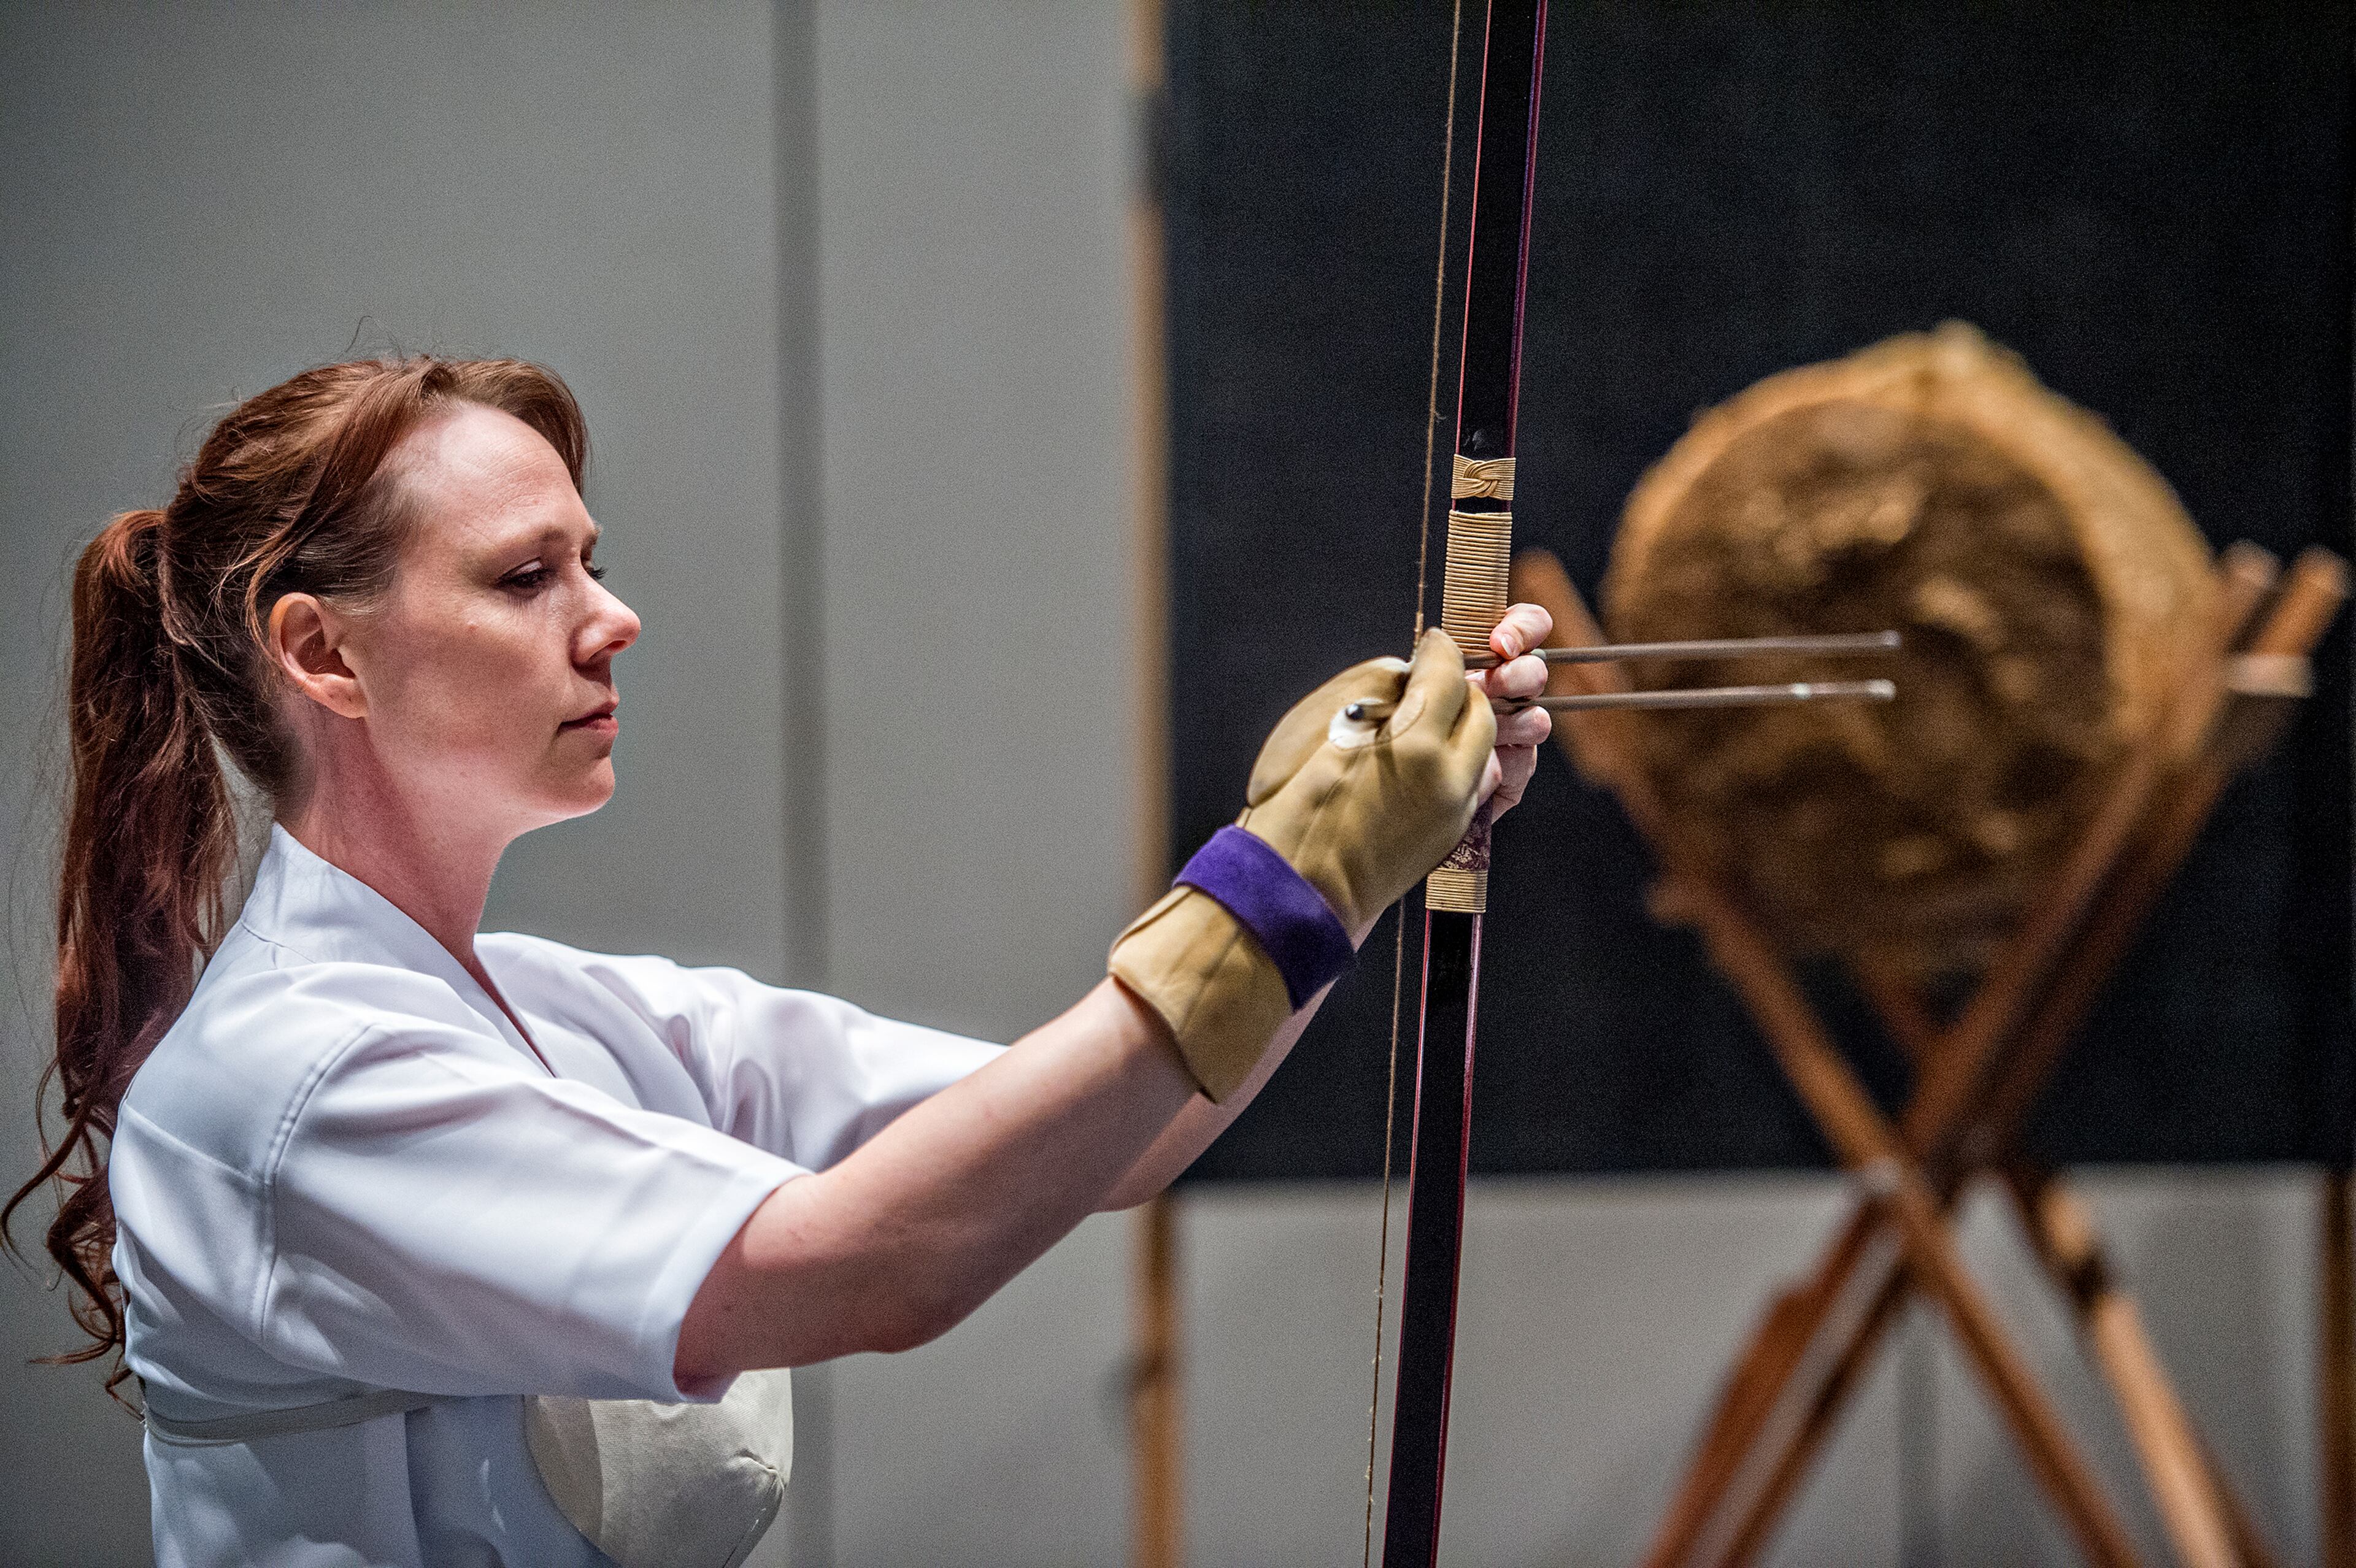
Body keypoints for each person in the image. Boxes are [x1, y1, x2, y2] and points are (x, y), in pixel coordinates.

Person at [3, 355, 1553, 1566]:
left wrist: (1337, 862)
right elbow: (860, 1269)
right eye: (525, 576)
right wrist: (1284, 881)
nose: (612, 618)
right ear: (323, 653)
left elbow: (1111, 1139)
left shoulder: (562, 1012)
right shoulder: (298, 1082)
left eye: (588, 560)